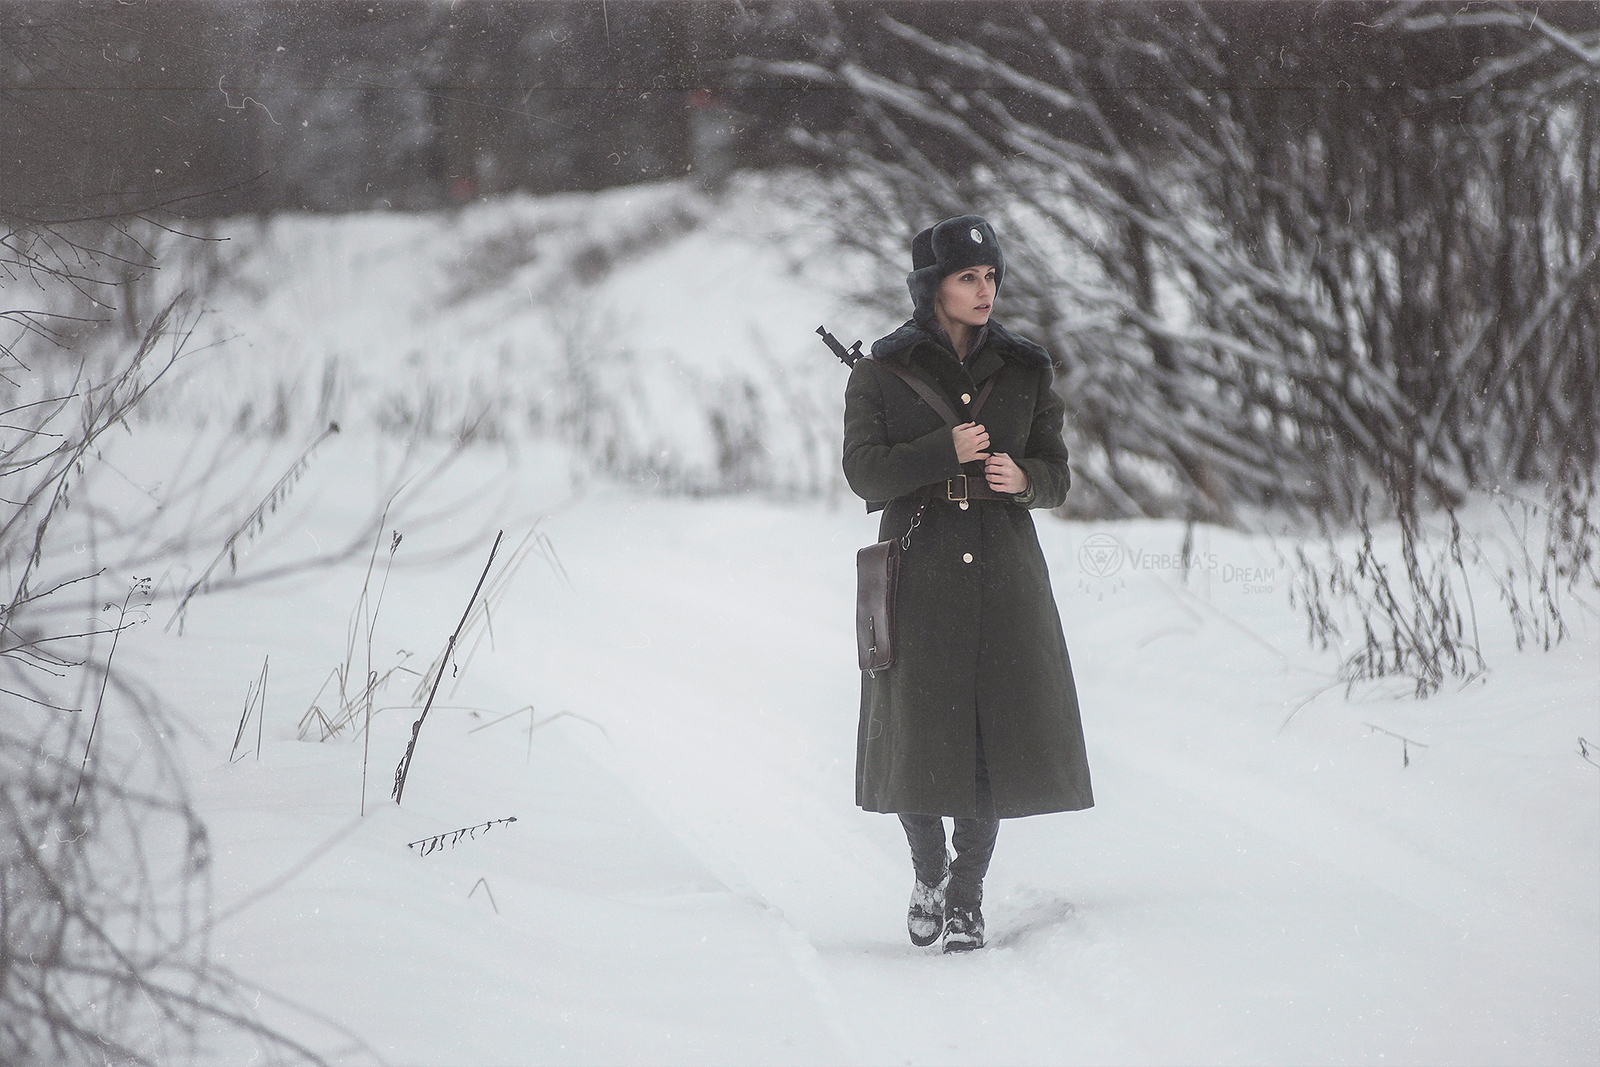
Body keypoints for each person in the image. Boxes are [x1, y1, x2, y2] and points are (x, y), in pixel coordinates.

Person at [842, 215, 1093, 952]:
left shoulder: (1027, 367)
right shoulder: (880, 370)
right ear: (932, 288)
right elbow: (865, 472)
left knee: (991, 739)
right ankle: (928, 871)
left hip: (1004, 567)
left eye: (990, 278)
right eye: (966, 278)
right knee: (917, 736)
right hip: (916, 567)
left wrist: (1026, 478)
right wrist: (938, 449)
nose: (984, 291)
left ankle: (968, 895)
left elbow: (1058, 472)